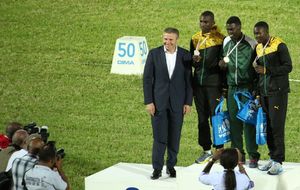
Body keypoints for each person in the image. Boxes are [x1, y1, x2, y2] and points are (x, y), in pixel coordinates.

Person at [143, 27, 193, 179]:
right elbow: (147, 80)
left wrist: (188, 102)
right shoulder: (154, 54)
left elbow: (189, 81)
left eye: (170, 39)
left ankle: (171, 166)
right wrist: (149, 101)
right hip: (158, 104)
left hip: (178, 104)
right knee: (159, 138)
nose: (167, 42)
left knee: (174, 137)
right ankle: (157, 169)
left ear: (177, 39)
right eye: (165, 39)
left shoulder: (185, 55)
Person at [218, 16, 260, 168]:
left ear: (240, 27)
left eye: (233, 29)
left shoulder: (251, 44)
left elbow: (257, 68)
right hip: (231, 89)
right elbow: (222, 65)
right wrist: (221, 65)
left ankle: (253, 156)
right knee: (234, 123)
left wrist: (256, 90)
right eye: (228, 29)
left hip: (247, 89)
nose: (230, 32)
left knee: (249, 123)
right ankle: (238, 155)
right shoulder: (226, 42)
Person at [253, 21, 292, 175]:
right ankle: (272, 156)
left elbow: (288, 66)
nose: (257, 36)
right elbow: (259, 73)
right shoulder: (258, 47)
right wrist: (257, 92)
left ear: (267, 32)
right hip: (264, 93)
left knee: (277, 126)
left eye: (260, 33)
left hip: (277, 93)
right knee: (268, 126)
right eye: (255, 33)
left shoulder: (279, 45)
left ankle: (278, 161)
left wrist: (267, 70)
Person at [190, 10, 226, 163]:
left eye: (206, 22)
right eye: (201, 21)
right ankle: (206, 150)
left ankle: (219, 150)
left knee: (216, 118)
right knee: (202, 119)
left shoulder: (220, 39)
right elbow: (191, 63)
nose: (203, 24)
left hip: (214, 85)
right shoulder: (194, 38)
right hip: (198, 85)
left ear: (212, 23)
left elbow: (224, 64)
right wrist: (194, 60)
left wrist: (224, 86)